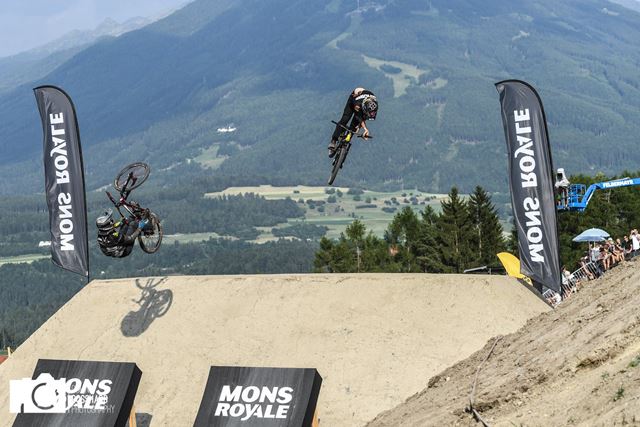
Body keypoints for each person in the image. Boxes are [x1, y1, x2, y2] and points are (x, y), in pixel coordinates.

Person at [328, 87, 378, 157]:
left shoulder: (374, 108)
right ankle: (333, 140)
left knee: (354, 128)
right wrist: (365, 128)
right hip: (353, 100)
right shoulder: (357, 104)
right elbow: (358, 117)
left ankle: (345, 146)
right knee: (345, 119)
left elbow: (365, 117)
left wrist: (360, 128)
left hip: (365, 102)